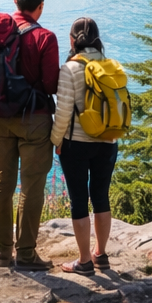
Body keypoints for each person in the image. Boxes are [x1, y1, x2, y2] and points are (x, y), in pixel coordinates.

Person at [0, 0, 60, 270]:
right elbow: (50, 83)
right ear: (40, 7)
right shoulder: (46, 38)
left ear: (15, 2)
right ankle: (27, 254)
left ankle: (1, 254)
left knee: (1, 184)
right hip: (34, 120)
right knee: (31, 186)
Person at [51, 17, 119, 275]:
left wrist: (56, 141)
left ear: (72, 40)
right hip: (108, 141)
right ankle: (100, 254)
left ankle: (84, 262)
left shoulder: (69, 69)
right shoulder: (110, 65)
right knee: (101, 197)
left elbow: (63, 112)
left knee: (79, 200)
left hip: (76, 144)